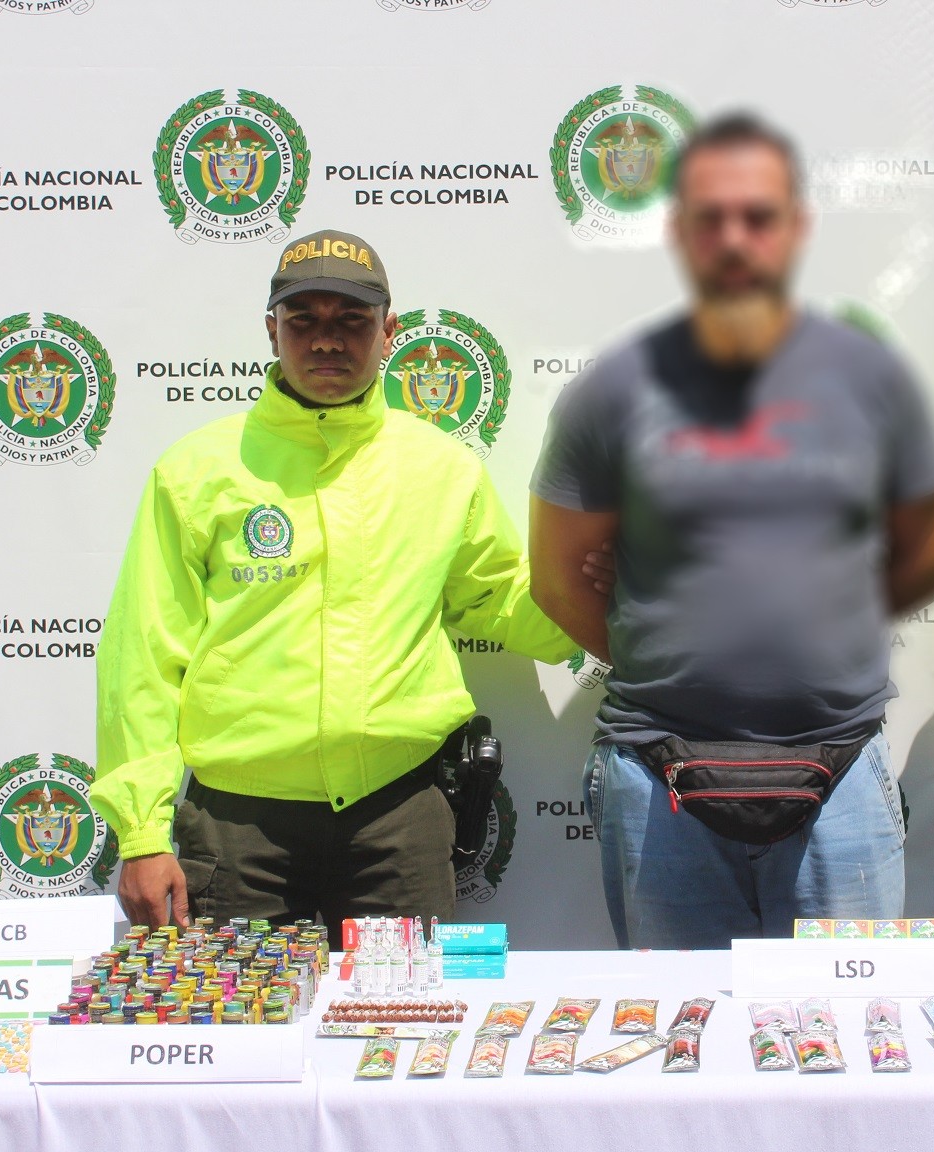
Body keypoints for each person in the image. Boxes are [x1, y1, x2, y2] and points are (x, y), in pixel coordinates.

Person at [528, 114, 934, 949]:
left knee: (849, 1023)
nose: (734, 238)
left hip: (841, 774)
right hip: (657, 773)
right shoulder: (611, 392)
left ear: (796, 227)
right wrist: (676, 657)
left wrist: (816, 639)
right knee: (679, 1026)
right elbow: (556, 578)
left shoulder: (872, 380)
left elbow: (930, 550)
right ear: (678, 231)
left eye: (758, 217)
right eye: (711, 218)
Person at [92, 229, 577, 947]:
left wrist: (617, 613)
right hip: (237, 828)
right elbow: (144, 659)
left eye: (351, 319)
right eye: (303, 320)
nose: (326, 339)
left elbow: (498, 597)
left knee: (402, 1017)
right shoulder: (195, 472)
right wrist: (140, 832)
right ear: (271, 331)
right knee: (243, 1020)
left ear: (388, 332)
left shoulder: (442, 469)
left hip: (398, 819)